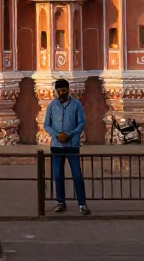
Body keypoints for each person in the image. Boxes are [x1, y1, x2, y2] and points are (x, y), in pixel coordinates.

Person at [43, 78, 89, 215]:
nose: (62, 93)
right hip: (57, 145)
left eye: (65, 90)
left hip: (72, 145)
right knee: (58, 175)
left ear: (68, 90)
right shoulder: (52, 106)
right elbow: (47, 124)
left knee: (77, 174)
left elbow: (81, 123)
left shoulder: (76, 105)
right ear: (56, 91)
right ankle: (60, 202)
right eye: (60, 90)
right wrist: (57, 135)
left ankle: (82, 204)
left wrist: (70, 134)